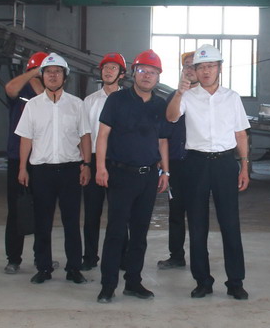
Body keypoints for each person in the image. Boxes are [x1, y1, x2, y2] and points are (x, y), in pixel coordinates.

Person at [166, 44, 251, 301]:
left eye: (210, 66)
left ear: (220, 68)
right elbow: (171, 117)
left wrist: (244, 165)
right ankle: (202, 281)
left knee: (230, 223)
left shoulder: (232, 97)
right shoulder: (188, 96)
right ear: (194, 70)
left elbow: (240, 133)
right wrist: (179, 93)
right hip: (196, 163)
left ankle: (235, 282)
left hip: (225, 163)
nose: (205, 71)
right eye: (200, 67)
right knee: (197, 224)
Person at [95, 49, 169, 304]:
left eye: (153, 72)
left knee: (139, 233)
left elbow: (162, 141)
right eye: (143, 70)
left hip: (148, 177)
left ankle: (133, 283)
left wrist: (165, 171)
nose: (147, 76)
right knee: (116, 232)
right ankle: (108, 286)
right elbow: (102, 135)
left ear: (158, 77)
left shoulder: (160, 105)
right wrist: (100, 167)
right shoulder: (117, 100)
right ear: (134, 73)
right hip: (120, 174)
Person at [15, 52, 91, 285]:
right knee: (43, 222)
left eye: (57, 72)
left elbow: (85, 136)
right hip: (42, 171)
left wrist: (86, 164)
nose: (53, 75)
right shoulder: (33, 106)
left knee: (71, 222)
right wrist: (22, 168)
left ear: (64, 77)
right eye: (48, 72)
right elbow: (26, 138)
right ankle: (44, 267)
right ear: (43, 76)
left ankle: (74, 268)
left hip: (70, 170)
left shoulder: (76, 104)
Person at [81, 52, 128, 272]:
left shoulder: (128, 100)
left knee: (120, 213)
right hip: (93, 160)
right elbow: (84, 134)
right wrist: (85, 164)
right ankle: (90, 256)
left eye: (113, 68)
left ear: (122, 74)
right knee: (92, 212)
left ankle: (122, 257)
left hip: (119, 162)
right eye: (105, 68)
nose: (108, 71)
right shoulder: (90, 101)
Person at [1, 51, 47, 274]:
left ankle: (42, 258)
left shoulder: (52, 93)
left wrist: (41, 79)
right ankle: (13, 258)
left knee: (43, 209)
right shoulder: (20, 91)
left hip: (43, 158)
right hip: (18, 158)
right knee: (17, 209)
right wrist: (33, 74)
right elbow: (9, 88)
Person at [157, 51, 198, 270]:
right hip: (177, 163)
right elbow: (163, 134)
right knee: (176, 212)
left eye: (193, 66)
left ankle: (200, 257)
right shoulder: (173, 97)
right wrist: (164, 166)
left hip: (199, 163)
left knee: (198, 213)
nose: (189, 70)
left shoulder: (206, 97)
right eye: (186, 66)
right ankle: (176, 255)